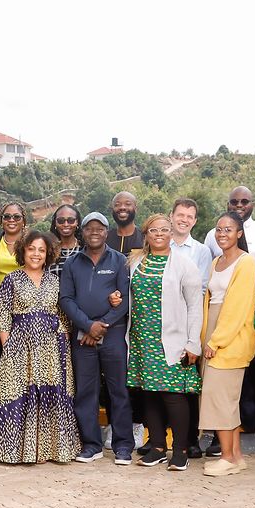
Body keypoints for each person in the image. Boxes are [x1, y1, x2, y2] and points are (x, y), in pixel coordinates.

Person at [0, 231, 81, 464]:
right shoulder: (12, 279)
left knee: (50, 396)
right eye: (31, 249)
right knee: (18, 396)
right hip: (20, 347)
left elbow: (62, 316)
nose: (36, 254)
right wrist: (10, 350)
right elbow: (2, 317)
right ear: (23, 251)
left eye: (41, 250)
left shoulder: (55, 281)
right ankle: (16, 451)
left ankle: (47, 450)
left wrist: (63, 346)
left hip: (51, 348)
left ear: (48, 254)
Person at [204, 186, 255, 460]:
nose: (239, 205)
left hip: (249, 318)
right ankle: (224, 444)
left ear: (253, 204)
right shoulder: (214, 248)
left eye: (244, 201)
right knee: (226, 390)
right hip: (219, 323)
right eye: (234, 201)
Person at [127, 214, 203, 471]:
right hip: (141, 339)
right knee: (148, 393)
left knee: (174, 395)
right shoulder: (136, 261)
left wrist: (194, 343)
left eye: (164, 230)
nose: (158, 234)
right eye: (152, 230)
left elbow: (195, 306)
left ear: (171, 233)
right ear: (145, 235)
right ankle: (158, 446)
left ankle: (180, 449)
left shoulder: (184, 264)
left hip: (171, 340)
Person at [59, 212, 134, 465]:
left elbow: (125, 300)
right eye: (89, 228)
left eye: (99, 228)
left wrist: (101, 326)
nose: (94, 232)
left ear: (106, 232)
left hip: (112, 335)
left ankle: (123, 445)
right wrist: (88, 326)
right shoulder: (72, 262)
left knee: (118, 391)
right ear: (82, 232)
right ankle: (91, 444)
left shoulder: (120, 260)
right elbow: (66, 299)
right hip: (82, 336)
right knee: (86, 392)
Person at [199, 212, 255, 477]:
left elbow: (238, 307)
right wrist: (203, 337)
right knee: (228, 400)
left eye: (229, 230)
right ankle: (236, 457)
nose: (223, 234)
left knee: (219, 397)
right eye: (219, 229)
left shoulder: (246, 263)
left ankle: (226, 457)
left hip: (231, 336)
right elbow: (208, 301)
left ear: (239, 234)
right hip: (213, 329)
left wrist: (216, 341)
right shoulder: (216, 261)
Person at [168, 197, 213, 459]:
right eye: (180, 214)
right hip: (163, 323)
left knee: (188, 381)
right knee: (163, 381)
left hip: (189, 321)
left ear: (194, 221)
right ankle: (165, 437)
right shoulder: (160, 245)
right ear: (171, 216)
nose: (184, 219)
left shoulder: (200, 251)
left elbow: (203, 289)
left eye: (189, 216)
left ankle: (190, 440)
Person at [105, 191, 145, 448]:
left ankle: (137, 424)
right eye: (118, 204)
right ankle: (114, 423)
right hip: (109, 317)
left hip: (139, 315)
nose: (122, 208)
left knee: (135, 372)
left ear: (135, 208)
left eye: (127, 204)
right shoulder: (105, 237)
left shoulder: (144, 238)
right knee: (111, 375)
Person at [0, 201, 28, 296]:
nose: (11, 220)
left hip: (28, 302)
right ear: (1, 221)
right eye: (7, 217)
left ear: (23, 221)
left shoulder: (32, 244)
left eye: (17, 217)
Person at [48, 204, 82, 277]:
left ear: (77, 222)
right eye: (61, 220)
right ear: (55, 223)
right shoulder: (49, 251)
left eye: (71, 220)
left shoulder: (85, 250)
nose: (66, 224)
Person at [106, 191, 143, 256]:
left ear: (136, 209)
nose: (122, 207)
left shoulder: (145, 239)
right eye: (117, 205)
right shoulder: (104, 239)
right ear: (112, 210)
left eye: (128, 204)